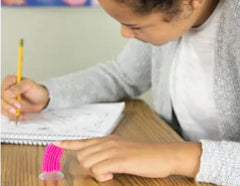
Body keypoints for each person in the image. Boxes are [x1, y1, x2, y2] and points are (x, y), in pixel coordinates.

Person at [1, 0, 240, 185]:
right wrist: (48, 94)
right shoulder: (175, 19)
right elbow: (123, 75)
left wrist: (174, 157)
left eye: (135, 25)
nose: (124, 34)